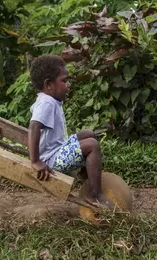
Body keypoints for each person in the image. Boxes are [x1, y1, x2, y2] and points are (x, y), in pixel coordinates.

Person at [28, 55, 113, 209]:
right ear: (48, 85)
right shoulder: (46, 103)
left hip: (57, 150)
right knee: (92, 145)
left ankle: (86, 177)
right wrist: (35, 161)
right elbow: (34, 126)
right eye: (64, 81)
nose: (68, 85)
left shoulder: (50, 100)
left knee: (88, 134)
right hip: (51, 159)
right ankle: (95, 196)